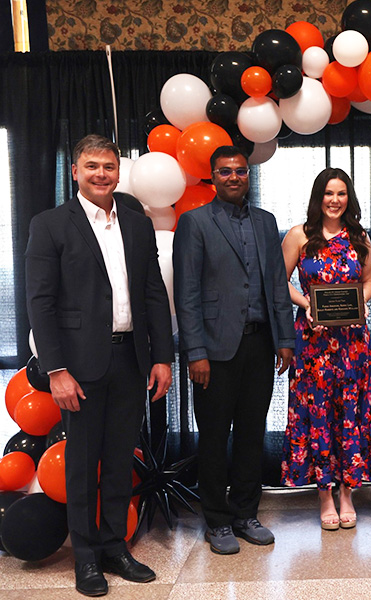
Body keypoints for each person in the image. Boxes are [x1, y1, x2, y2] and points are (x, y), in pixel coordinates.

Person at [26, 134, 173, 596]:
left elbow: (153, 293)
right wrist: (56, 371)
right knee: (82, 465)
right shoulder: (49, 224)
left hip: (131, 358)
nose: (101, 174)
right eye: (91, 166)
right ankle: (85, 558)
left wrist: (163, 357)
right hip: (78, 367)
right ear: (75, 172)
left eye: (108, 166)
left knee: (117, 462)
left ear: (118, 171)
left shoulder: (136, 223)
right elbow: (40, 303)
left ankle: (114, 546)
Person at [173, 146, 294, 555]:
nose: (233, 177)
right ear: (212, 176)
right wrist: (195, 352)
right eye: (224, 172)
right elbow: (186, 293)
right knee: (212, 437)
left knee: (249, 434)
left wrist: (286, 339)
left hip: (260, 345)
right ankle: (217, 521)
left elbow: (277, 284)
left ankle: (245, 514)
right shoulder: (194, 222)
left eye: (240, 171)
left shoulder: (265, 222)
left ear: (248, 175)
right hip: (213, 350)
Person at [280, 168, 371, 530]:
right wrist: (307, 306)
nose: (335, 200)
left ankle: (347, 492)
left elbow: (369, 282)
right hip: (313, 342)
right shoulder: (300, 235)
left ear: (349, 198)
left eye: (341, 193)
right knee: (318, 416)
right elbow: (280, 283)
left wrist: (357, 306)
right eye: (328, 193)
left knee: (351, 413)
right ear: (318, 197)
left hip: (352, 344)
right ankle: (324, 493)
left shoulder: (360, 236)